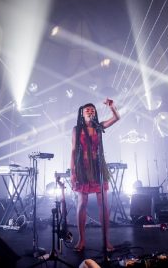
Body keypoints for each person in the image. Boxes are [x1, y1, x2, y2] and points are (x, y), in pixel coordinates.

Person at [70, 98, 120, 252]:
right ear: (82, 114)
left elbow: (116, 118)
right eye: (88, 110)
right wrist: (73, 172)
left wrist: (112, 107)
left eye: (93, 110)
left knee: (103, 203)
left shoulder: (99, 127)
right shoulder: (76, 129)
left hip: (98, 166)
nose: (91, 111)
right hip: (82, 168)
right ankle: (82, 240)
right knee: (82, 202)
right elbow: (73, 151)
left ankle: (106, 241)